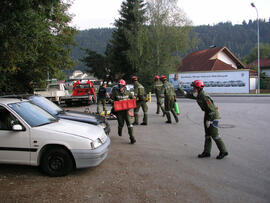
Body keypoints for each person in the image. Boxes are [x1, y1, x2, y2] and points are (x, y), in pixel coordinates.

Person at [178, 80, 228, 159]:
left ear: (198, 88)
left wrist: (210, 120)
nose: (193, 89)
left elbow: (212, 110)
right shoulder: (198, 94)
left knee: (214, 135)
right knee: (207, 135)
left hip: (212, 116)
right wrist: (179, 88)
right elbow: (186, 95)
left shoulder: (204, 96)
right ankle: (207, 152)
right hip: (207, 115)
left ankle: (223, 151)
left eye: (194, 87)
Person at [110, 79, 136, 144]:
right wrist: (115, 102)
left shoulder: (127, 92)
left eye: (121, 86)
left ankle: (132, 137)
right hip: (119, 111)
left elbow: (133, 98)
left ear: (124, 86)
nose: (120, 87)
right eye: (119, 85)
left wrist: (132, 101)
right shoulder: (115, 92)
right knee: (121, 124)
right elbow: (111, 100)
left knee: (129, 124)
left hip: (126, 111)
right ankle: (120, 130)